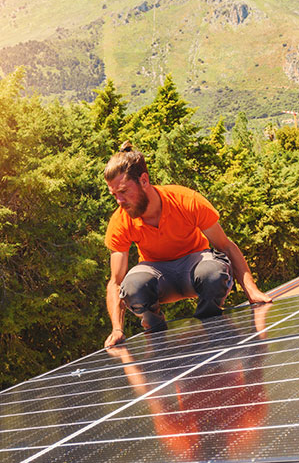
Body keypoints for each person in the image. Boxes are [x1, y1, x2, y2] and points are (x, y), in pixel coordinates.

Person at [103, 141, 272, 348]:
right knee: (133, 286)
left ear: (144, 180)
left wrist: (252, 291)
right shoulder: (120, 220)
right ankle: (154, 328)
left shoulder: (185, 200)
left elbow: (226, 246)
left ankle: (210, 323)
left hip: (195, 268)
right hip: (157, 275)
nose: (119, 201)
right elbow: (116, 281)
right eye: (114, 195)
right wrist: (117, 329)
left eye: (124, 191)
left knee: (214, 272)